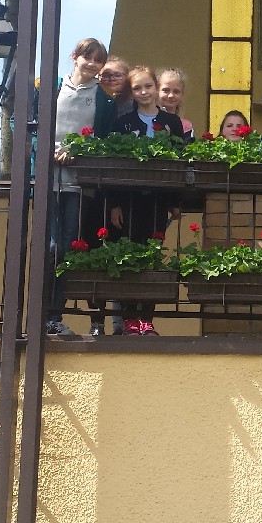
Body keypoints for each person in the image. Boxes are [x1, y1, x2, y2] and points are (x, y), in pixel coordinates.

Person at [108, 65, 187, 336]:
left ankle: (147, 320)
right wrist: (114, 204)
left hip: (158, 200)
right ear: (131, 93)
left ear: (155, 87)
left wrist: (175, 202)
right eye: (137, 88)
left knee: (152, 256)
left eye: (148, 86)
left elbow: (177, 165)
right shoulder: (122, 124)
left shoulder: (172, 123)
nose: (143, 92)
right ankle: (130, 319)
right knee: (129, 257)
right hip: (129, 201)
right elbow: (114, 167)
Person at [47, 38, 116, 339]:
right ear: (75, 57)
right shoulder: (49, 88)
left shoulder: (105, 101)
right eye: (87, 57)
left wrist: (79, 150)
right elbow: (28, 125)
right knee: (49, 248)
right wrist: (45, 149)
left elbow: (104, 141)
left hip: (79, 183)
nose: (92, 64)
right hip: (48, 180)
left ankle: (54, 316)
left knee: (66, 247)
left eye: (98, 60)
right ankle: (43, 315)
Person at [157, 68, 195, 137]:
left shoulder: (185, 126)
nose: (171, 95)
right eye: (166, 90)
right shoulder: (149, 121)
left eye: (176, 92)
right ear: (157, 91)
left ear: (182, 94)